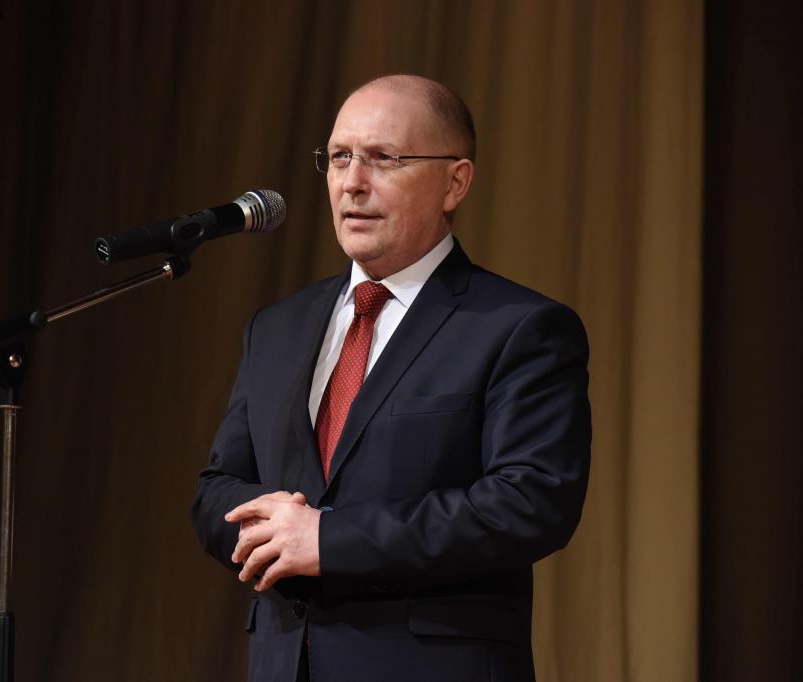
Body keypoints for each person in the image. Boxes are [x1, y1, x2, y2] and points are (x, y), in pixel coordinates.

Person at [191, 74, 591, 682]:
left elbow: (529, 503)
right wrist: (268, 527)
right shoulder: (276, 327)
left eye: (384, 158)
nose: (352, 182)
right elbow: (218, 487)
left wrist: (330, 539)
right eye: (340, 157)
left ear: (455, 182)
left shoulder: (519, 327)